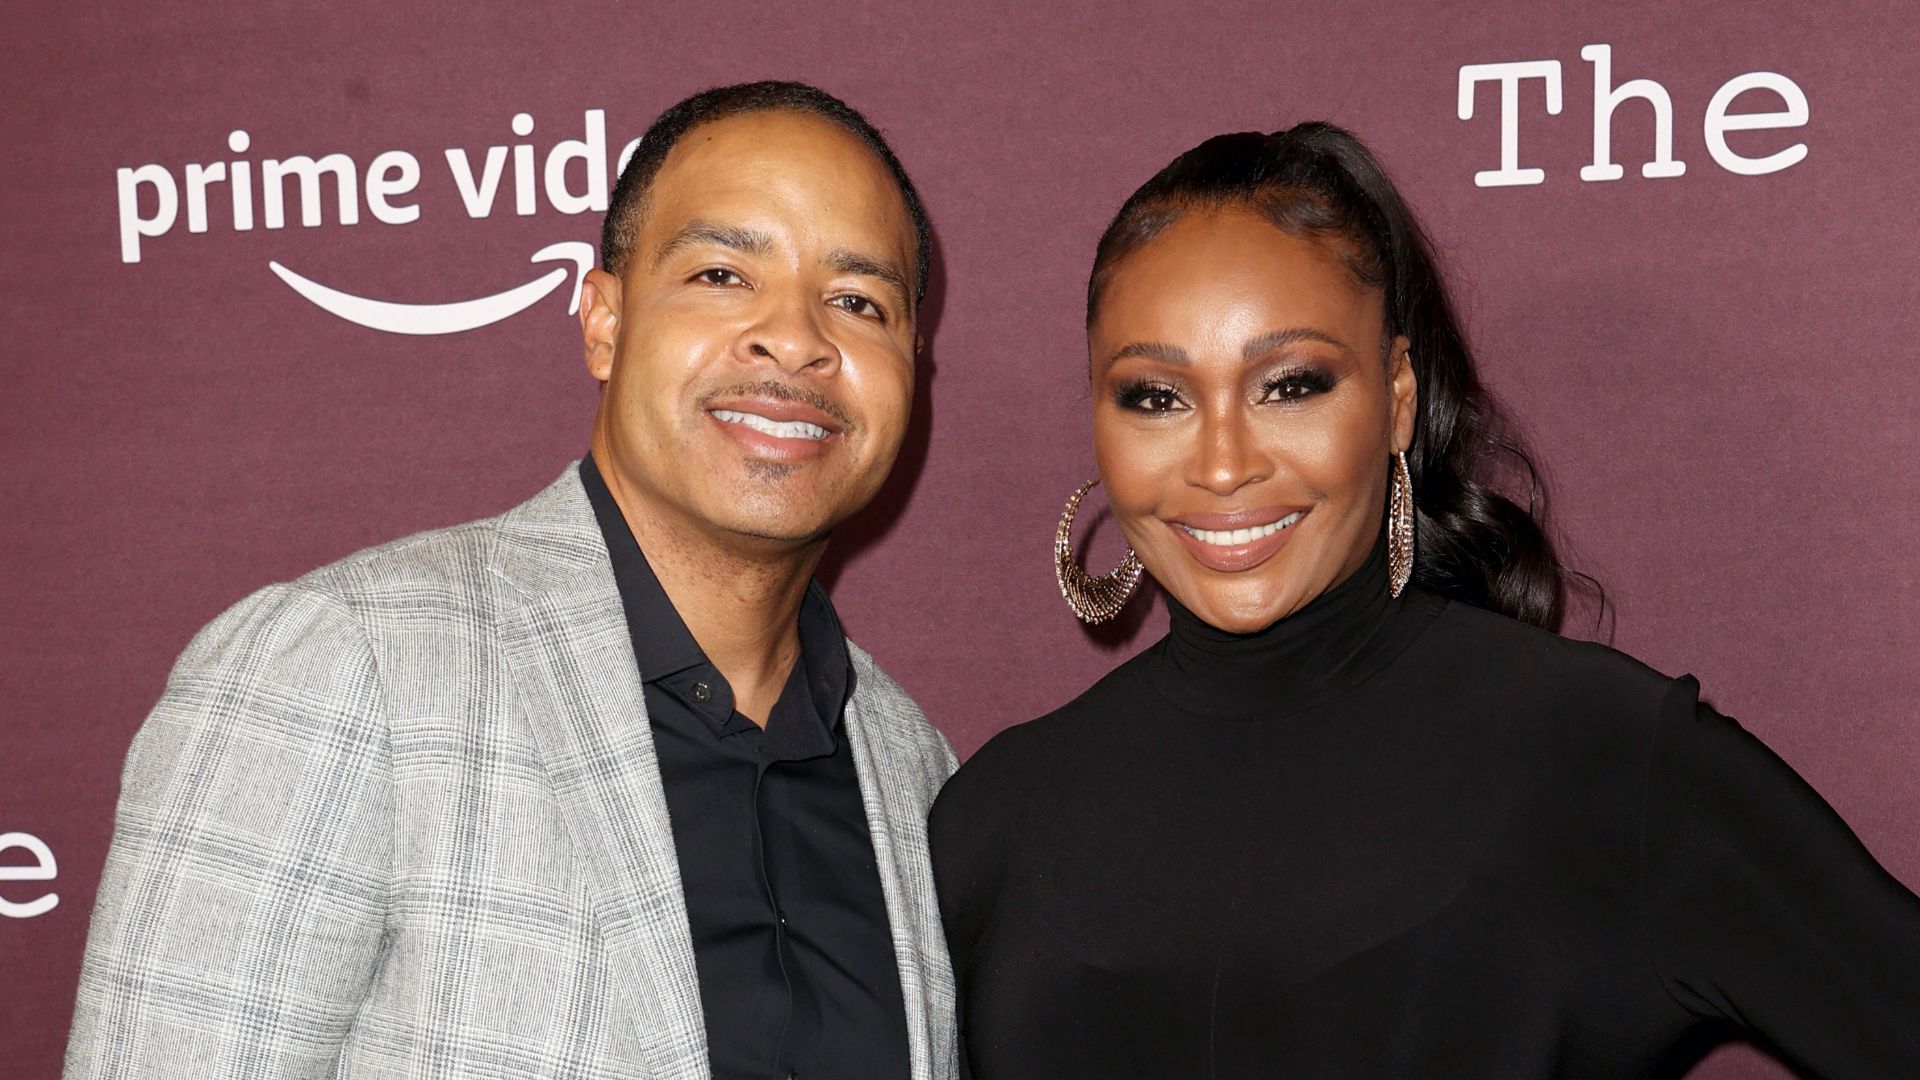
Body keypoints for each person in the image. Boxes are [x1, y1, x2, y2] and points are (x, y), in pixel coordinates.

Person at [929, 123, 1920, 1079]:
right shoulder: (993, 820)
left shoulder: (1608, 763)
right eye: (1156, 397)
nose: (1222, 463)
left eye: (1292, 384)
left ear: (1397, 396)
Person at [67, 81, 958, 1080]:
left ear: (911, 369)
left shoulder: (913, 767)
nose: (795, 338)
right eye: (720, 273)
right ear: (604, 322)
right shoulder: (342, 667)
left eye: (858, 301)